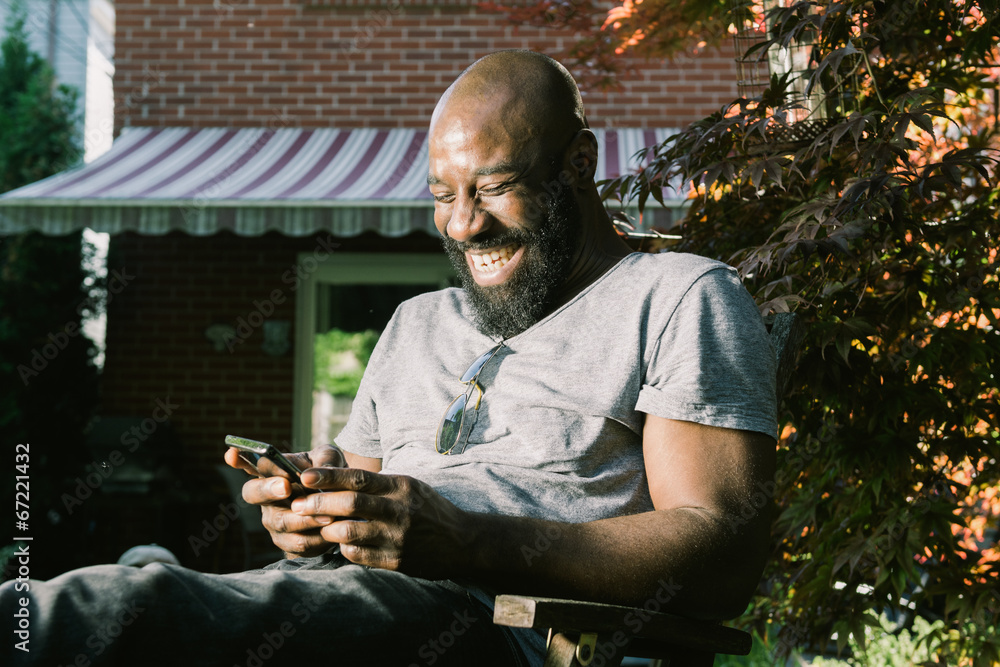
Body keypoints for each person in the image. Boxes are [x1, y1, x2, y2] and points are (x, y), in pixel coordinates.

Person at [2, 50, 776, 666]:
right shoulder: (417, 321)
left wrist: (462, 538)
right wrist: (313, 513)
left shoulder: (678, 296)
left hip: (489, 625)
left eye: (495, 187)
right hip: (326, 600)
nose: (464, 225)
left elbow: (721, 551)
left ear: (579, 163)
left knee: (113, 614)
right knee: (147, 597)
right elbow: (362, 502)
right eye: (442, 195)